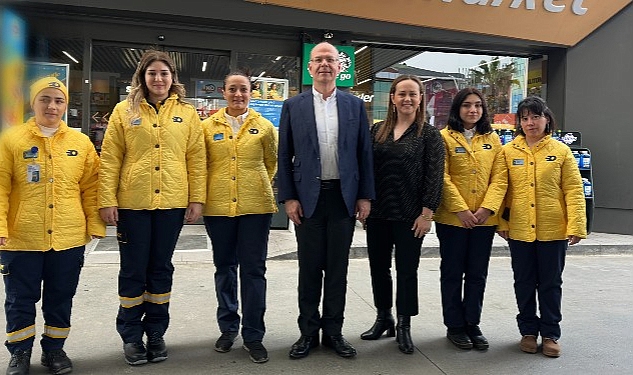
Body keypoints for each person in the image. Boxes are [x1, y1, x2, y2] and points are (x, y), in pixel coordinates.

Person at [98, 49, 206, 366]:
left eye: (164, 73)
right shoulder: (122, 111)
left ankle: (156, 334)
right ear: (142, 78)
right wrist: (108, 199)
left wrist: (196, 198)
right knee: (133, 271)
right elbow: (110, 159)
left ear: (173, 78)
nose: (158, 79)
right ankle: (131, 338)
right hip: (132, 205)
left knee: (160, 269)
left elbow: (197, 160)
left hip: (171, 205)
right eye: (152, 73)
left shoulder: (186, 115)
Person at [0, 76, 105, 375]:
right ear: (32, 103)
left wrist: (94, 222)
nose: (51, 105)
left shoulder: (80, 142)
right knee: (20, 299)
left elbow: (91, 186)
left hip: (68, 237)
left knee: (61, 297)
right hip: (22, 239)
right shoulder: (11, 139)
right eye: (44, 99)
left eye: (58, 100)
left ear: (65, 106)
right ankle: (19, 354)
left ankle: (54, 350)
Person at [277, 41, 375, 359]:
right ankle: (307, 333)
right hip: (308, 200)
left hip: (343, 199)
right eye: (318, 59)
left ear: (339, 67)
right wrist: (289, 198)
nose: (324, 65)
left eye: (330, 60)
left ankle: (333, 331)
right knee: (309, 269)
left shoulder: (354, 106)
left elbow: (364, 155)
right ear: (309, 67)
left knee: (337, 270)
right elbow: (284, 155)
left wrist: (365, 197)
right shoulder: (294, 106)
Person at [360, 75, 444, 354]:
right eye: (402, 94)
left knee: (407, 271)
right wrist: (364, 202)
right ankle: (384, 317)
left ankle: (405, 325)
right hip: (379, 213)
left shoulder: (429, 135)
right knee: (378, 269)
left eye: (413, 94)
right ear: (392, 98)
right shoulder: (376, 131)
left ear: (420, 99)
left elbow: (434, 176)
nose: (407, 99)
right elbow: (367, 170)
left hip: (411, 216)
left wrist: (427, 213)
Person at [497, 96, 586, 358]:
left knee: (550, 283)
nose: (530, 122)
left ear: (547, 119)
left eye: (535, 116)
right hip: (519, 230)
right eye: (524, 118)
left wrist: (576, 224)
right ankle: (527, 331)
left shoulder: (561, 151)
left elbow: (573, 190)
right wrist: (501, 222)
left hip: (553, 230)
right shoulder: (509, 151)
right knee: (523, 282)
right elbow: (503, 191)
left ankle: (550, 334)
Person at [201, 71, 278, 364]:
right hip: (218, 209)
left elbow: (271, 163)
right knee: (224, 268)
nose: (238, 94)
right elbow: (202, 164)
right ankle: (228, 327)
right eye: (232, 89)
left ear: (251, 93)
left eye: (243, 89)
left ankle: (254, 334)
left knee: (254, 271)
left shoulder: (265, 127)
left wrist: (252, 185)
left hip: (255, 209)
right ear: (223, 92)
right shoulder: (207, 127)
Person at [434, 88, 507, 351]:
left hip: (483, 221)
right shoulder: (443, 137)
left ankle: (472, 323)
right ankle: (454, 325)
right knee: (452, 273)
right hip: (452, 220)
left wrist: (487, 209)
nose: (472, 110)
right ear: (457, 109)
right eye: (466, 105)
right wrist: (461, 209)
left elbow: (500, 178)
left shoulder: (493, 139)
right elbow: (441, 177)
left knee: (477, 274)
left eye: (477, 105)